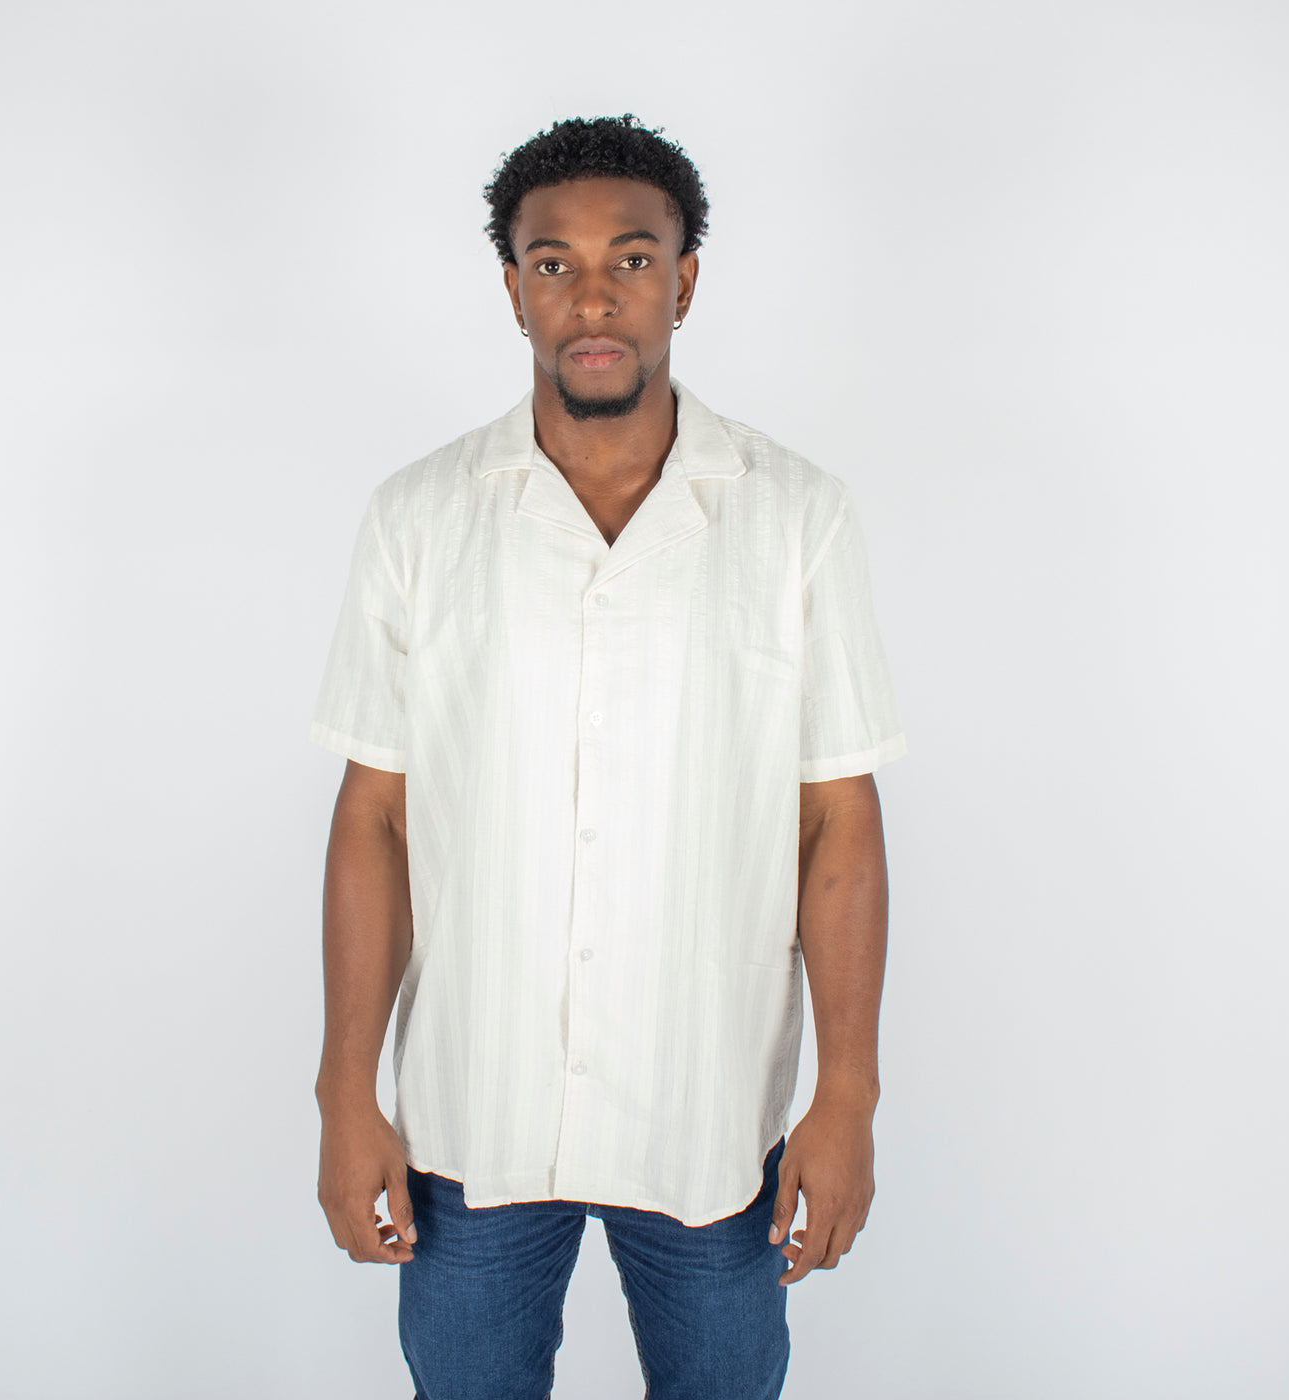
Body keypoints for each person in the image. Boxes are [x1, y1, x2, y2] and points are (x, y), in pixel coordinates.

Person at [309, 114, 908, 1398]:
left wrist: (846, 1092)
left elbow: (836, 823)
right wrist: (342, 1090)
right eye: (553, 262)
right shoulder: (418, 517)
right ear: (512, 287)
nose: (592, 297)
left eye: (630, 260)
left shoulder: (794, 517)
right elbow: (374, 818)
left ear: (682, 281)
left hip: (707, 1119)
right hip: (474, 1115)